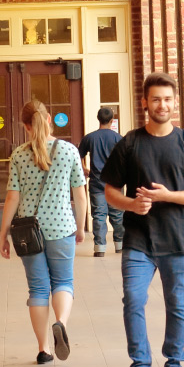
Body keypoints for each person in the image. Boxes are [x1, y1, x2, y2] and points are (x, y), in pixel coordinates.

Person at [102, 73, 184, 367]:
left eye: (167, 99)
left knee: (176, 303)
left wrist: (167, 196)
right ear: (145, 103)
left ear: (175, 102)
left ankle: (174, 364)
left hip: (178, 240)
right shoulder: (129, 142)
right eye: (156, 99)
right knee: (133, 300)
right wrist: (130, 205)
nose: (162, 104)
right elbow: (109, 190)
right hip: (139, 240)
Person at [0, 100, 89, 365]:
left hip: (28, 232)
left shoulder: (18, 155)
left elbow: (12, 199)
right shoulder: (70, 151)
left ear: (25, 126)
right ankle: (60, 322)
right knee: (63, 282)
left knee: (38, 289)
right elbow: (80, 196)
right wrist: (81, 227)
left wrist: (3, 235)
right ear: (49, 119)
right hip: (62, 227)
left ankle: (43, 349)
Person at [79, 107, 124, 257]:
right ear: (112, 120)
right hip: (115, 184)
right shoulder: (118, 138)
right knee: (118, 215)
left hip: (97, 182)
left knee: (98, 215)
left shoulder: (90, 138)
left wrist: (84, 168)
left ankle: (100, 248)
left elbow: (78, 155)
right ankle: (120, 245)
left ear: (98, 119)